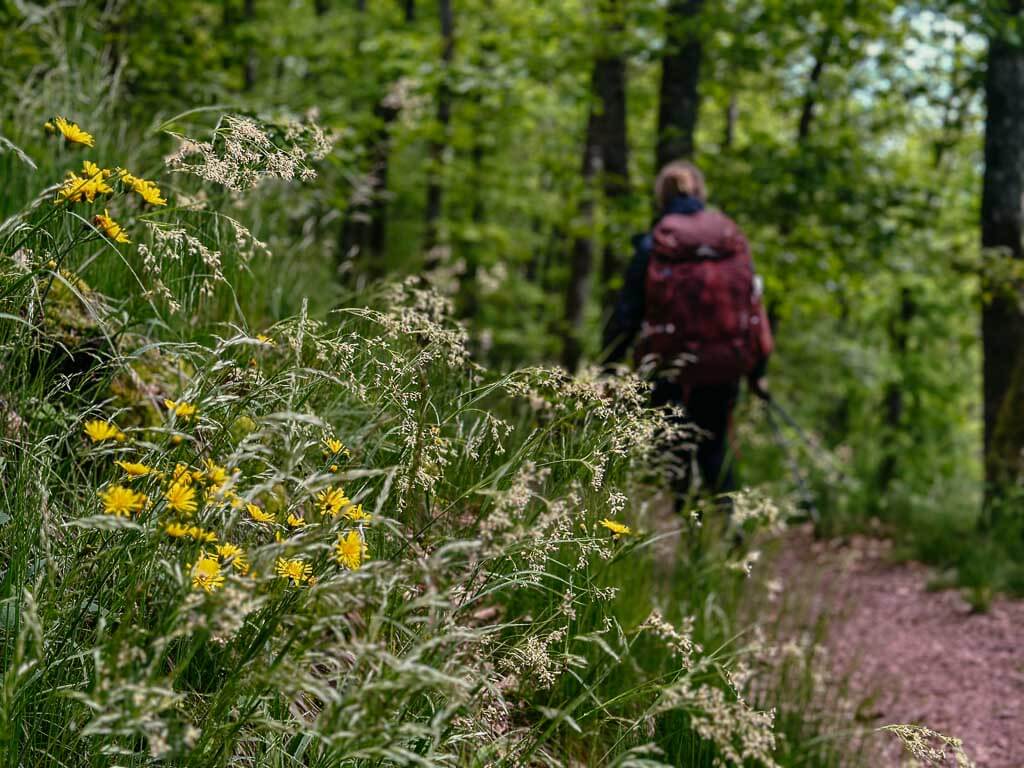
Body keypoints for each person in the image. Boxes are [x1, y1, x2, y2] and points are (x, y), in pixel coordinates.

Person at [603, 160, 773, 505]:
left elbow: (626, 314)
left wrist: (609, 365)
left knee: (672, 448)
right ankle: (729, 531)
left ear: (660, 197)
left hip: (670, 366)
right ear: (701, 192)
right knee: (715, 447)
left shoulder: (656, 245)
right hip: (724, 364)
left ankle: (685, 532)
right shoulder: (730, 241)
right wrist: (758, 371)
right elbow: (751, 308)